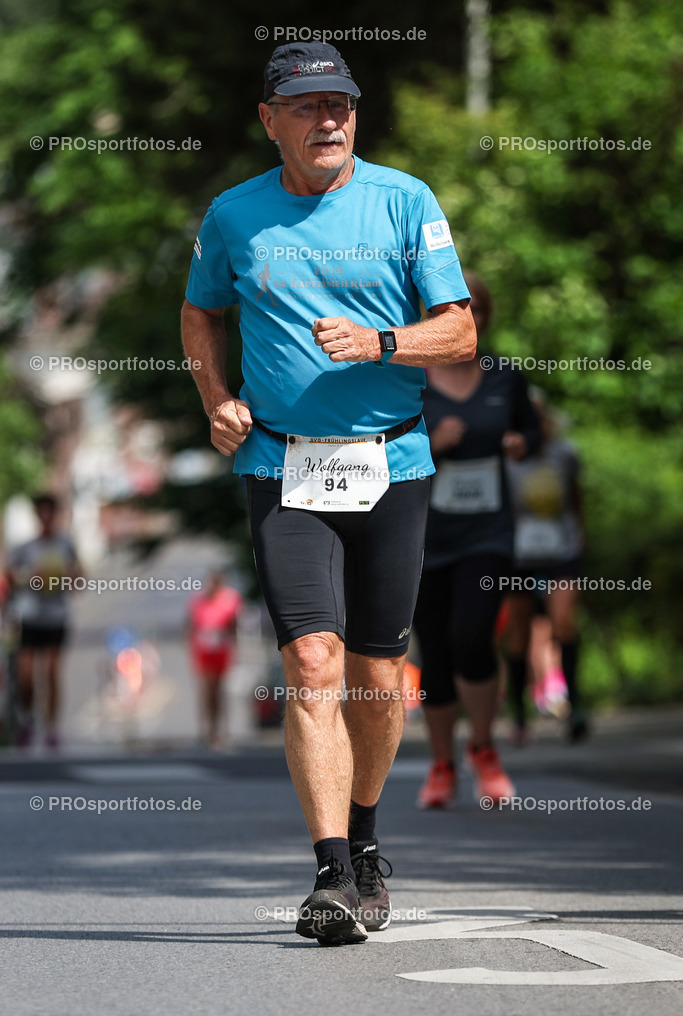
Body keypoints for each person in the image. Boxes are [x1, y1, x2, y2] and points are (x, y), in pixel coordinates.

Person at [181, 42, 476, 945]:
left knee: (377, 675)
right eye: (307, 107)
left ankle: (370, 838)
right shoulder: (234, 216)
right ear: (270, 120)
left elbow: (458, 330)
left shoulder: (403, 200)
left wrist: (383, 344)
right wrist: (216, 400)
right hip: (282, 467)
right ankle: (331, 872)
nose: (329, 120)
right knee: (311, 665)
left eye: (341, 104)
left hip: (392, 464)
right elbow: (200, 311)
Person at [412, 273, 541, 810]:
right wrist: (430, 444)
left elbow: (534, 433)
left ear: (483, 320)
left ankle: (484, 749)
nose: (465, 320)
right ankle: (442, 765)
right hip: (421, 534)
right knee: (436, 653)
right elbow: (377, 451)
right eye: (449, 310)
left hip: (488, 532)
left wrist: (519, 443)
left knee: (472, 635)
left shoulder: (504, 377)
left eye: (474, 311)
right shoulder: (411, 379)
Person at [503, 391, 588, 742]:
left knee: (563, 623)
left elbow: (576, 499)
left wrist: (583, 543)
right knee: (520, 634)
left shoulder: (564, 454)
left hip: (561, 548)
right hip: (518, 552)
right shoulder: (505, 459)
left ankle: (576, 706)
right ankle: (519, 713)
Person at [6, 493, 80, 749]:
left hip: (56, 616)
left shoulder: (65, 545)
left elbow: (79, 579)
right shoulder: (25, 548)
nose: (46, 518)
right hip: (29, 616)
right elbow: (10, 579)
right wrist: (31, 577)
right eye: (42, 513)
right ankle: (27, 719)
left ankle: (52, 729)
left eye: (50, 513)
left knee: (51, 673)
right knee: (26, 677)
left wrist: (66, 578)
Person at [187, 570, 243, 748]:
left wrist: (235, 649)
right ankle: (207, 729)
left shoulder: (231, 600)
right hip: (204, 650)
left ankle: (220, 729)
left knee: (220, 689)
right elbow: (191, 626)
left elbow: (235, 627)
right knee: (207, 690)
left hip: (222, 649)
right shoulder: (198, 601)